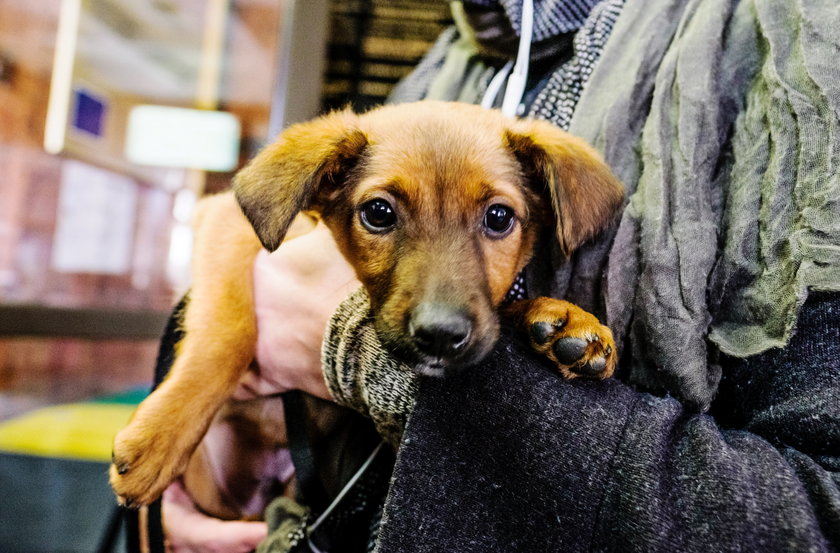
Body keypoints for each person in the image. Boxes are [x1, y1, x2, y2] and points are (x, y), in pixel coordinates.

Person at [164, 0, 840, 551]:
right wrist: (174, 495)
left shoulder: (798, 47)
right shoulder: (448, 61)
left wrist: (353, 346)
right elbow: (248, 242)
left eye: (496, 218)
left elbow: (818, 515)